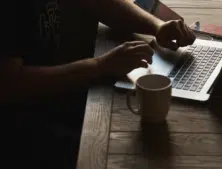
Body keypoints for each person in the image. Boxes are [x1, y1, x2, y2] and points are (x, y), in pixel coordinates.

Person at [1, 0, 195, 168]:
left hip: (59, 96)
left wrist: (157, 27)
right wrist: (100, 66)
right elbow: (11, 85)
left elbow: (101, 3)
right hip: (25, 129)